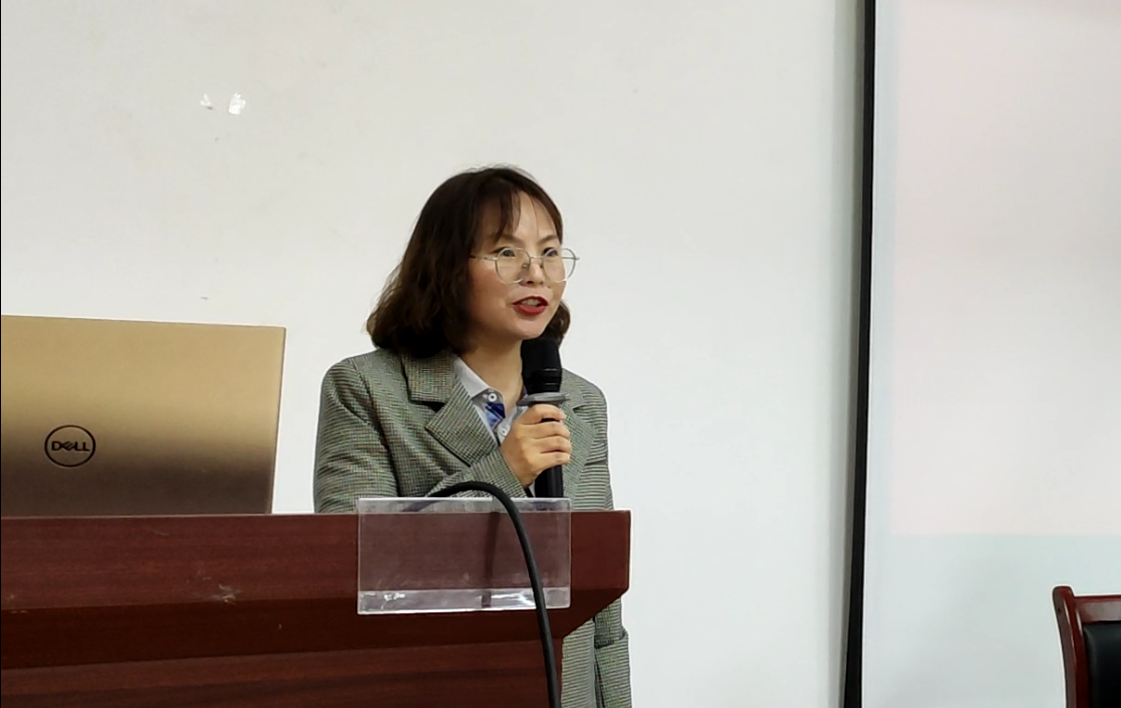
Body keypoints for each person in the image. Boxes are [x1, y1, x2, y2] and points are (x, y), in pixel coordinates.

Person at [312, 166, 631, 708]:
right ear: (446, 265)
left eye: (550, 252)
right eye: (507, 252)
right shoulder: (365, 388)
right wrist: (504, 471)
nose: (536, 273)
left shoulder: (580, 402)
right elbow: (355, 568)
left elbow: (600, 610)